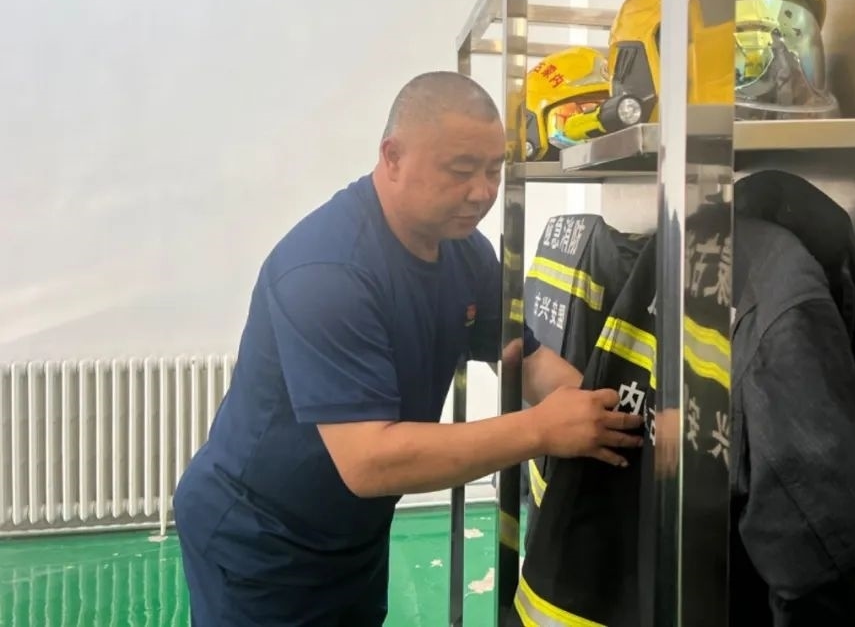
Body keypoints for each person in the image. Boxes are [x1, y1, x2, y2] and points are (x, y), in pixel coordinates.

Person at [173, 71, 644, 626]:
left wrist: (616, 417)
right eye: (461, 171)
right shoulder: (327, 270)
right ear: (392, 157)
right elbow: (368, 461)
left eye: (493, 170)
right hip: (259, 539)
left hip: (351, 532)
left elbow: (526, 356)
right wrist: (541, 429)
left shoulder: (464, 253)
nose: (482, 192)